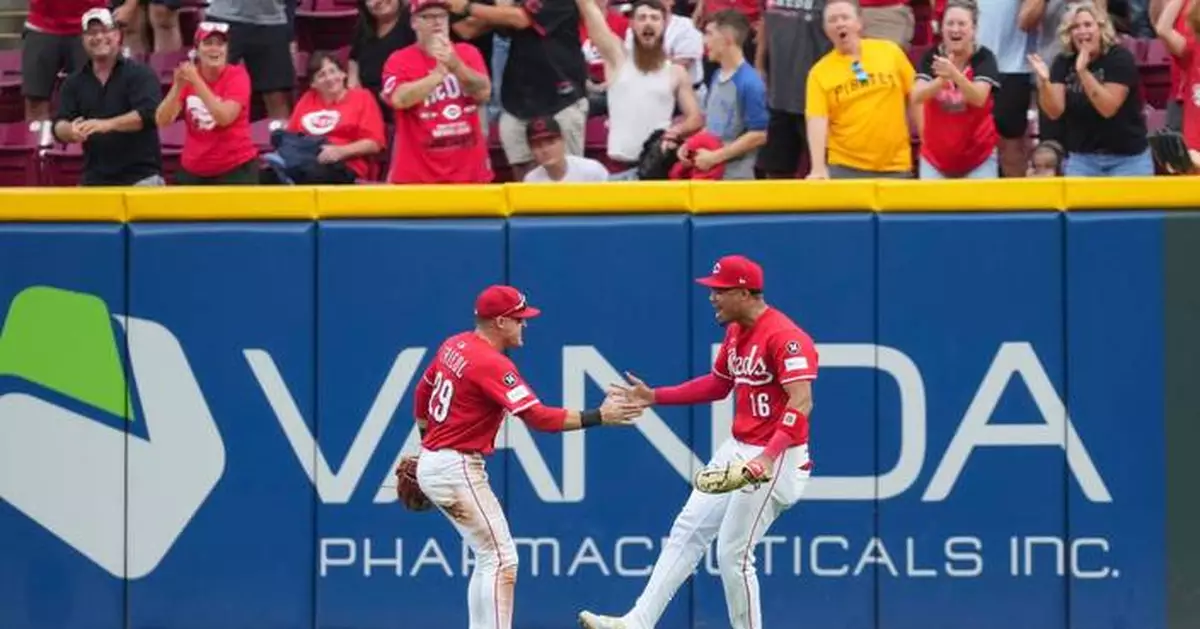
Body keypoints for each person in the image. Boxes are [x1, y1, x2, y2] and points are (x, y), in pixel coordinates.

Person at [578, 254, 818, 629]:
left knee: (733, 554)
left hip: (780, 453)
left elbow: (801, 400)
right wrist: (655, 396)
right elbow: (719, 384)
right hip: (740, 447)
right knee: (687, 531)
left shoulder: (785, 336)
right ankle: (637, 622)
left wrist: (768, 457)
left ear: (743, 291)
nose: (712, 297)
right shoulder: (737, 331)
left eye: (719, 290)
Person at [410, 285, 643, 629]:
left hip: (436, 459)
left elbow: (422, 391)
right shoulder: (491, 363)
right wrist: (599, 416)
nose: (525, 325)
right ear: (501, 321)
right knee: (502, 560)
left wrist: (427, 444)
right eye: (520, 319)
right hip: (455, 465)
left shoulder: (455, 344)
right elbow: (539, 418)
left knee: (489, 557)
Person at [576, 0, 704, 179]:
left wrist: (675, 131)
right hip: (618, 169)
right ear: (632, 24)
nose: (648, 22)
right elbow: (592, 15)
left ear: (664, 23)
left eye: (654, 18)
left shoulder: (676, 72)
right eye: (642, 18)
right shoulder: (617, 59)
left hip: (656, 169)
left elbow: (695, 118)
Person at [1029, 0, 1153, 176]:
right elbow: (1054, 111)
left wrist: (1083, 72)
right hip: (1083, 159)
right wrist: (1044, 82)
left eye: (1088, 25)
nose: (1082, 31)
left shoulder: (1119, 58)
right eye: (1075, 27)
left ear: (1101, 28)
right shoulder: (1063, 61)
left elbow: (1107, 108)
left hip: (1128, 158)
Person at [381, 0, 492, 184]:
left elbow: (483, 93)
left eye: (442, 16)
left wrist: (456, 66)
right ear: (414, 23)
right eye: (428, 17)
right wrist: (437, 76)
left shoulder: (468, 53)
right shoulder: (398, 59)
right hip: (418, 177)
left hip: (469, 174)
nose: (437, 22)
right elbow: (399, 99)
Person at [53, 8, 166, 186]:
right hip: (94, 179)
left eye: (105, 31)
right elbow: (58, 125)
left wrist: (106, 125)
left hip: (141, 178)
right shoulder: (73, 83)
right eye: (91, 33)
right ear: (83, 39)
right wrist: (70, 131)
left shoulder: (141, 74)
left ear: (117, 35)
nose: (98, 37)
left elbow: (149, 115)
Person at [805, 0, 915, 179]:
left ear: (859, 23)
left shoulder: (890, 52)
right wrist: (817, 167)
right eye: (832, 20)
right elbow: (817, 120)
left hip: (896, 166)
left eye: (845, 17)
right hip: (845, 167)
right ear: (825, 29)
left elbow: (915, 96)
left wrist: (925, 142)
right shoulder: (819, 73)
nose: (840, 23)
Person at [154, 21, 260, 185]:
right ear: (197, 50)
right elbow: (162, 120)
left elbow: (224, 117)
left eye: (220, 44)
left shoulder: (237, 76)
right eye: (208, 43)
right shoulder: (188, 77)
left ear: (227, 49)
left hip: (234, 167)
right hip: (194, 167)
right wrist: (177, 87)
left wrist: (196, 81)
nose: (214, 49)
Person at [912, 0, 1001, 179]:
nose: (955, 29)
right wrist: (940, 80)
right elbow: (917, 96)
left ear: (974, 29)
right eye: (950, 23)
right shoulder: (931, 57)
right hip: (935, 159)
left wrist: (955, 75)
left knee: (982, 207)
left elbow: (979, 98)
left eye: (962, 24)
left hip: (978, 158)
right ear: (941, 28)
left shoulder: (984, 58)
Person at [685, 10, 768, 180]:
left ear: (727, 39)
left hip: (735, 181)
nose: (704, 41)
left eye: (709, 34)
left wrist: (715, 157)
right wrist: (690, 144)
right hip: (711, 175)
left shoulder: (750, 82)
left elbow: (759, 135)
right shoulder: (717, 76)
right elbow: (713, 124)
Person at [285, 51, 387, 182]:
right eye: (321, 75)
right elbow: (291, 136)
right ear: (313, 84)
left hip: (345, 164)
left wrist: (340, 151)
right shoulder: (307, 99)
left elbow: (374, 143)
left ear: (343, 74)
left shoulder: (362, 98)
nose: (329, 78)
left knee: (312, 173)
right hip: (307, 159)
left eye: (333, 71)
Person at [523, 116, 611, 181]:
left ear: (563, 140)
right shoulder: (531, 180)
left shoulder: (592, 170)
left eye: (551, 143)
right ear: (531, 149)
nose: (545, 150)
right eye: (538, 146)